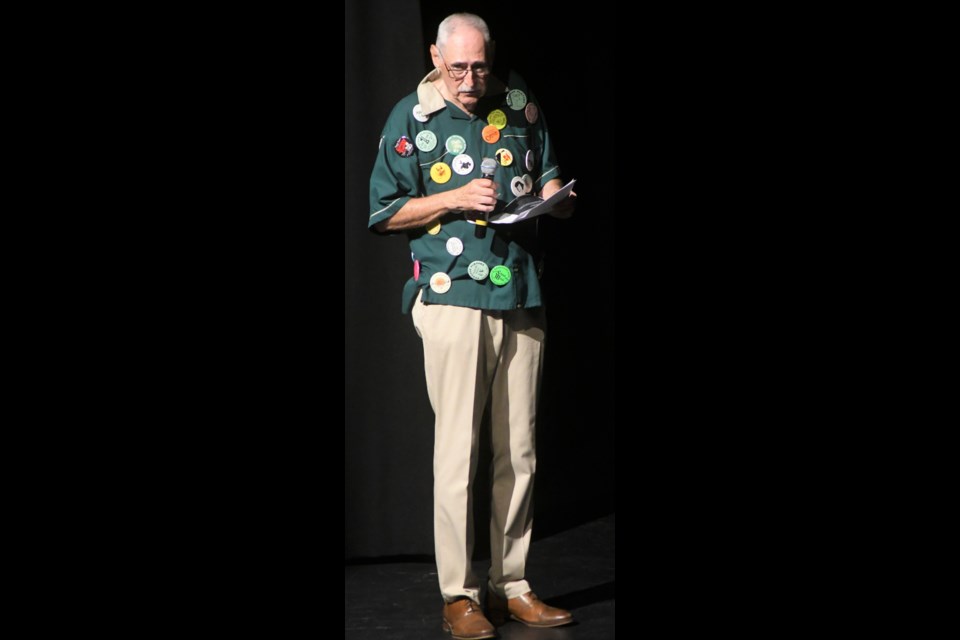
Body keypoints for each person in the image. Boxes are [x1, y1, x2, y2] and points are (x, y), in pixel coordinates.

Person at [368, 13, 575, 639]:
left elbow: (546, 173)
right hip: (451, 298)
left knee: (519, 450)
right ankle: (458, 594)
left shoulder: (516, 100)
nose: (469, 78)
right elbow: (382, 211)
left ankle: (511, 584)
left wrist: (559, 197)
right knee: (458, 452)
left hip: (521, 291)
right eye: (457, 66)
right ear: (435, 55)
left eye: (479, 66)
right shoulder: (413, 116)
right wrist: (455, 198)